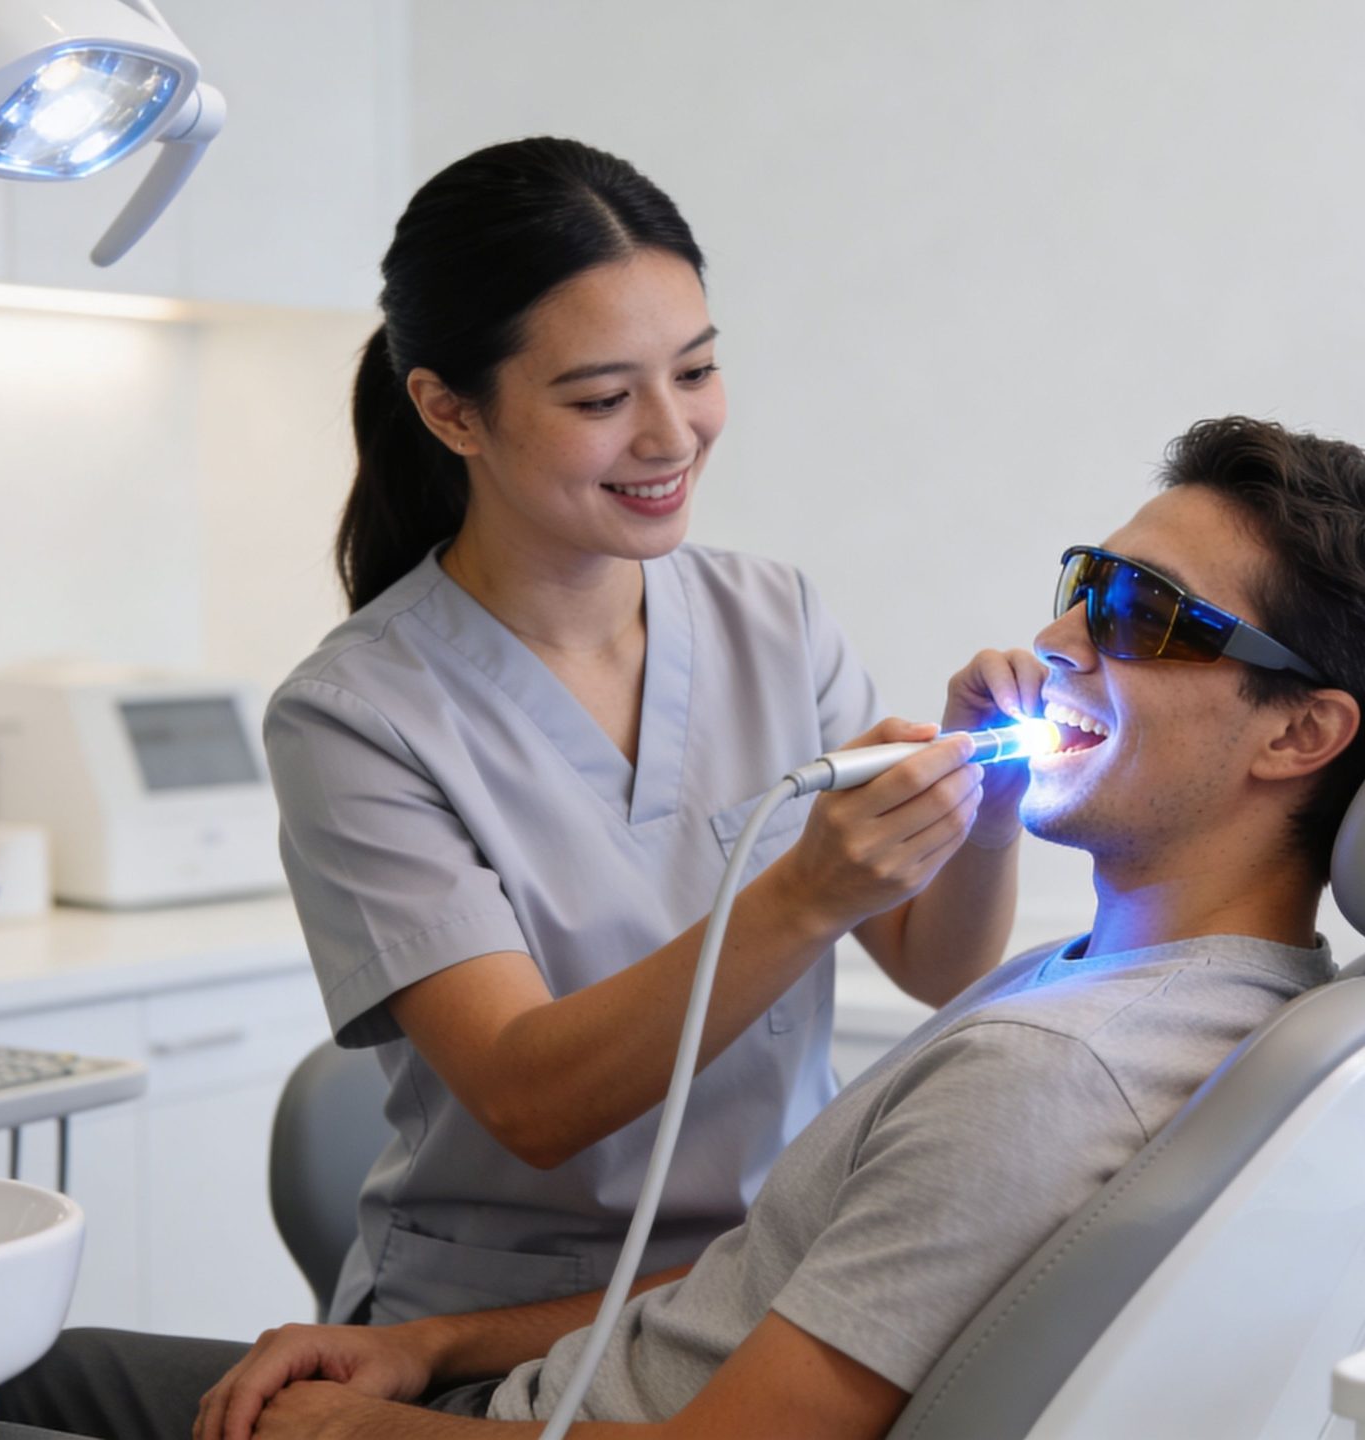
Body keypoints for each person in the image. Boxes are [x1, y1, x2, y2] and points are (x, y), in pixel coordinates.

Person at [0, 415, 1365, 1440]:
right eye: (1083, 584)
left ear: (1301, 735)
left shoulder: (1058, 1073)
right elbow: (795, 1272)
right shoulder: (1167, 991)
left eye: (1140, 616)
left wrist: (370, 1431)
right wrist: (433, 1348)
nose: (1055, 641)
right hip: (523, 1369)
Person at [260, 136, 1044, 1327]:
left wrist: (978, 811)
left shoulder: (770, 618)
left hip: (764, 1291)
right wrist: (806, 894)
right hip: (490, 1333)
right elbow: (532, 1103)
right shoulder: (359, 718)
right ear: (450, 411)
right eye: (601, 398)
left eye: (696, 371)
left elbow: (942, 969)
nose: (672, 435)